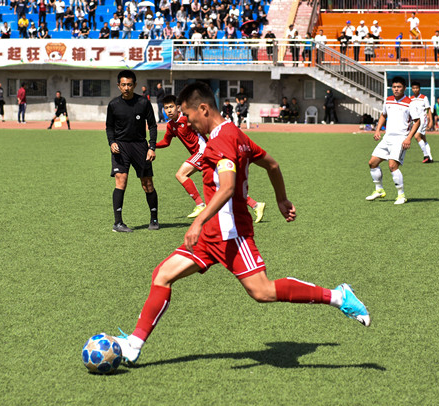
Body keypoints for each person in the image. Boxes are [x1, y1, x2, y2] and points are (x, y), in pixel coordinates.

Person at [114, 82, 370, 366]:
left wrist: (198, 221)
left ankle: (338, 296)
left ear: (203, 109)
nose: (188, 122)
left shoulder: (221, 140)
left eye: (189, 115)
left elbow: (227, 187)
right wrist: (281, 199)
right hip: (210, 236)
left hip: (231, 234)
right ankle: (134, 345)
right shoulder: (235, 134)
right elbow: (272, 165)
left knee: (263, 292)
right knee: (162, 275)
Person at [158, 94, 266, 222]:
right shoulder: (171, 125)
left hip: (204, 151)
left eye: (171, 107)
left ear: (178, 107)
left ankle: (200, 205)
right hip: (203, 154)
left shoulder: (187, 118)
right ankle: (256, 205)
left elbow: (205, 125)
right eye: (166, 108)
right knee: (223, 185)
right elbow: (166, 142)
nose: (169, 110)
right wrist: (151, 146)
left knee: (181, 174)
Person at [105, 69, 159, 233]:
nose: (126, 88)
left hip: (140, 146)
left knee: (147, 184)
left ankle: (154, 219)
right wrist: (112, 142)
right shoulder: (113, 105)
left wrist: (151, 147)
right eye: (123, 85)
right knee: (121, 181)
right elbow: (109, 127)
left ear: (134, 85)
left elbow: (153, 125)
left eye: (129, 84)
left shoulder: (143, 103)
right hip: (121, 147)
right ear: (118, 86)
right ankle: (118, 223)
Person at [366, 76, 420, 206]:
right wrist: (378, 130)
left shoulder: (410, 103)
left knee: (392, 166)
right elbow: (383, 115)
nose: (396, 89)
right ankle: (379, 190)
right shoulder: (388, 100)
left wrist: (408, 138)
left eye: (399, 87)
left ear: (404, 88)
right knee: (372, 163)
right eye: (394, 87)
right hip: (387, 138)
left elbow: (417, 121)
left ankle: (401, 195)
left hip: (400, 139)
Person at [409, 81, 434, 163]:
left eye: (416, 88)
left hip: (423, 120)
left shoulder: (424, 98)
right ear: (411, 89)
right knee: (423, 139)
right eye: (413, 88)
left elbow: (428, 110)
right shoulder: (410, 99)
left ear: (419, 89)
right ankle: (430, 158)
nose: (415, 89)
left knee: (417, 136)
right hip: (415, 121)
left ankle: (426, 155)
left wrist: (431, 121)